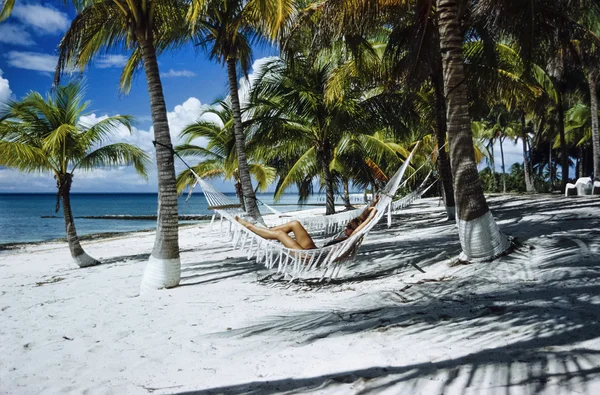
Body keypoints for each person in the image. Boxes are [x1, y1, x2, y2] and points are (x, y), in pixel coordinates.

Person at [235, 196, 379, 251]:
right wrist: (373, 204)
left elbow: (362, 225)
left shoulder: (352, 237)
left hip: (309, 257)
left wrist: (372, 214)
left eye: (348, 227)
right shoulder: (349, 234)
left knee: (279, 234)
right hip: (313, 250)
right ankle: (264, 230)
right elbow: (361, 219)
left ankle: (251, 227)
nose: (346, 228)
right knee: (295, 223)